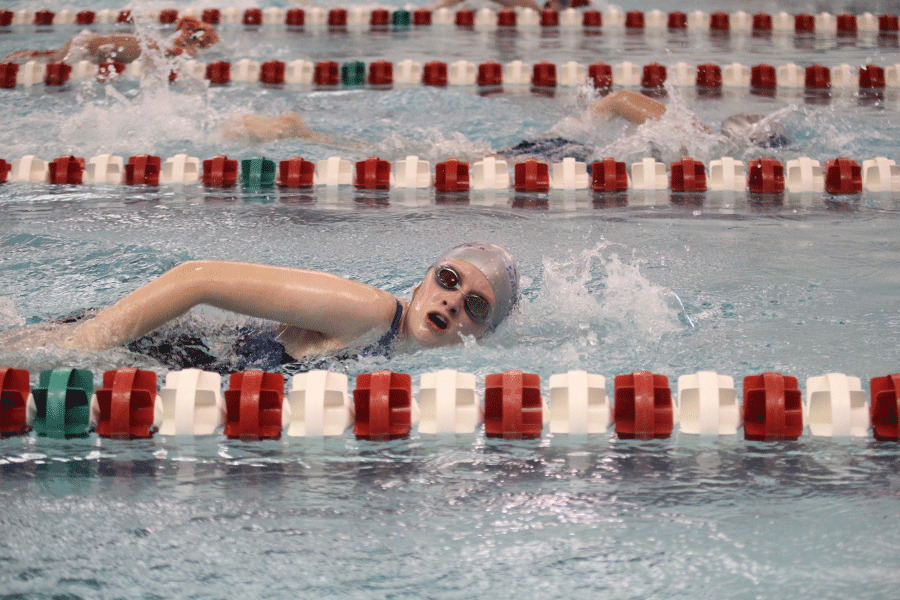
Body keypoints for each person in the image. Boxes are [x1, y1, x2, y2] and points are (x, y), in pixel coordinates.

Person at [47, 243, 518, 369]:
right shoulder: (370, 313)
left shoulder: (408, 357)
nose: (453, 301)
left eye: (476, 305)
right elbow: (196, 278)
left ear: (483, 335)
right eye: (448, 279)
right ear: (419, 285)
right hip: (139, 344)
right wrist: (76, 348)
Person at [2, 17, 219, 65]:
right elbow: (183, 52)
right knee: (53, 64)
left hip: (86, 41)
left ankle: (14, 59)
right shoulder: (174, 48)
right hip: (87, 46)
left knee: (47, 57)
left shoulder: (165, 44)